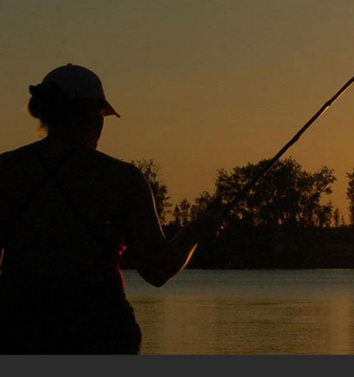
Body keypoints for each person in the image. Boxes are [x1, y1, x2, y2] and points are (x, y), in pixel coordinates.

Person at [0, 64, 221, 354]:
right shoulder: (121, 180)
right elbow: (157, 270)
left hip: (18, 327)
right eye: (102, 115)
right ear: (91, 115)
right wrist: (194, 233)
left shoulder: (7, 171)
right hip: (99, 328)